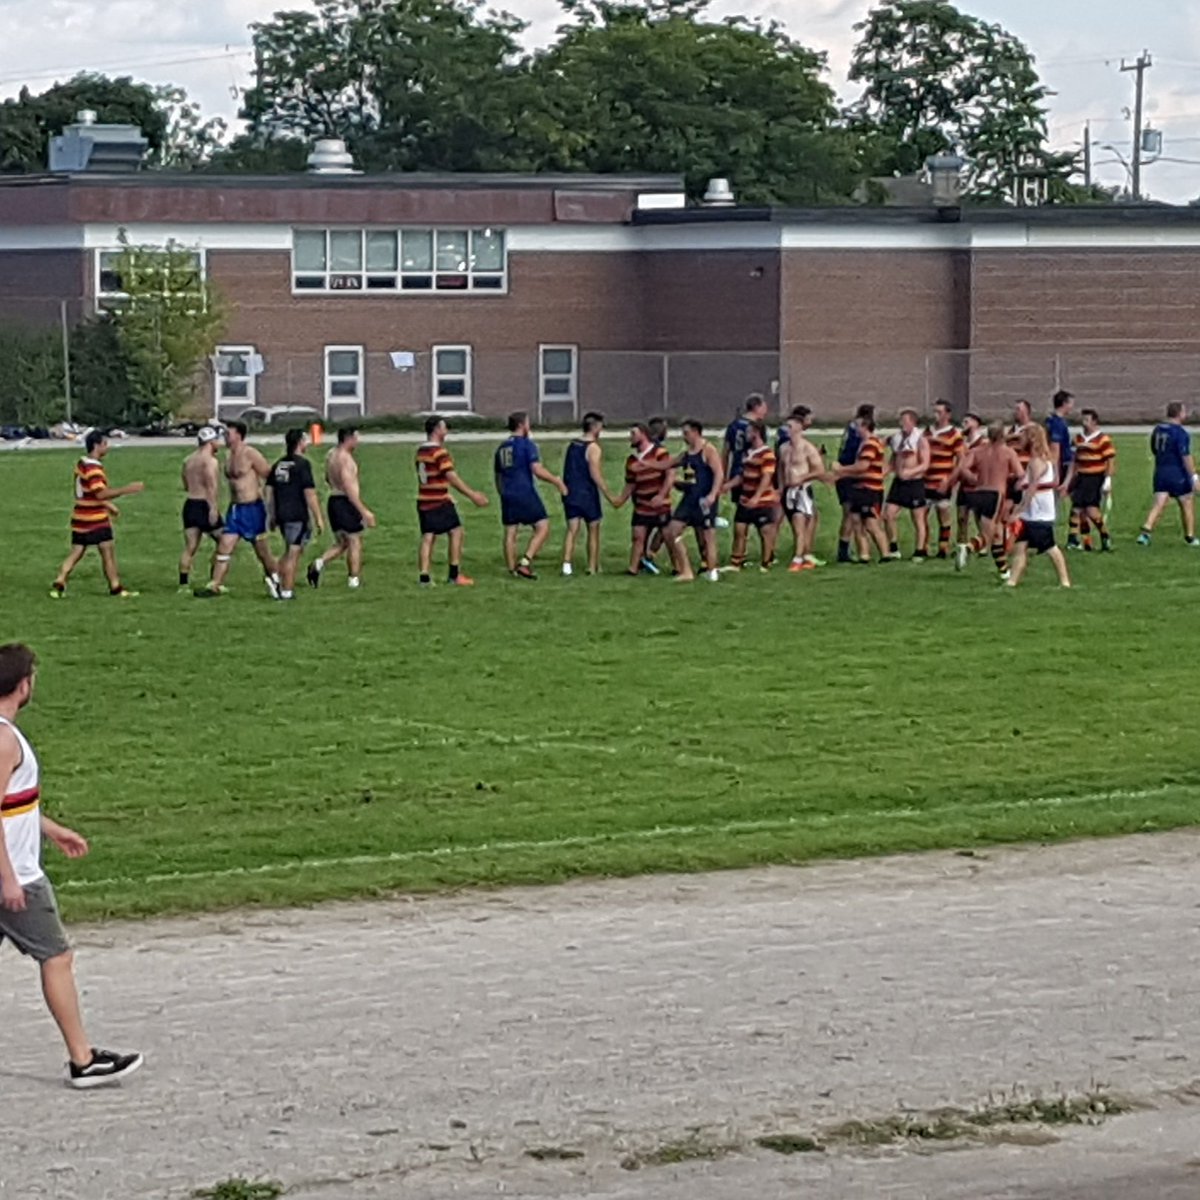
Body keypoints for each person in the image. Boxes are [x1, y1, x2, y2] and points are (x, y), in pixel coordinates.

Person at [0, 643, 143, 1088]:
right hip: (17, 875)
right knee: (57, 957)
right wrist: (8, 878)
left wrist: (50, 828)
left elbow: (11, 804)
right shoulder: (5, 740)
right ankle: (83, 1060)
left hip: (11, 868)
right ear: (23, 686)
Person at [50, 429, 143, 600]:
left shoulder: (81, 464)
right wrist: (127, 489)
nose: (107, 447)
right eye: (104, 444)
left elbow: (87, 492)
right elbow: (100, 493)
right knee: (107, 552)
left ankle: (60, 580)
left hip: (80, 516)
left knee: (77, 551)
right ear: (96, 445)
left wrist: (109, 506)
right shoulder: (94, 469)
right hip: (95, 518)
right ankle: (115, 587)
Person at [199, 420, 280, 598]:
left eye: (229, 434)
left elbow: (269, 475)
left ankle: (276, 578)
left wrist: (271, 504)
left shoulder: (250, 453)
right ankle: (214, 585)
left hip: (253, 508)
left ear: (239, 435)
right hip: (235, 509)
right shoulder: (228, 456)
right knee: (224, 545)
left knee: (263, 552)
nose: (226, 437)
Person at [414, 417, 489, 586]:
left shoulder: (421, 451)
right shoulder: (439, 452)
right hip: (438, 500)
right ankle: (454, 575)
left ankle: (424, 577)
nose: (446, 430)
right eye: (444, 427)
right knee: (456, 531)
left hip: (424, 498)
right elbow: (451, 476)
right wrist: (472, 495)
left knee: (428, 536)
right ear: (436, 429)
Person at [494, 411, 567, 580]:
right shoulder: (527, 445)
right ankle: (525, 562)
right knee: (542, 526)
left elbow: (498, 475)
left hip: (507, 493)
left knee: (510, 531)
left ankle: (511, 569)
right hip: (524, 491)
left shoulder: (502, 448)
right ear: (522, 425)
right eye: (527, 423)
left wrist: (502, 492)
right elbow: (537, 470)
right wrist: (556, 481)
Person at [307, 427, 376, 590]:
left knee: (342, 542)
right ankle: (354, 579)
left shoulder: (331, 455)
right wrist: (363, 510)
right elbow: (348, 486)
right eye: (356, 438)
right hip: (346, 501)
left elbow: (327, 477)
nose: (357, 442)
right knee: (354, 540)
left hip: (333, 499)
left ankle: (318, 563)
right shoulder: (345, 459)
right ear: (348, 438)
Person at [954, 422, 1023, 577]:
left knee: (996, 533)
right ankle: (968, 548)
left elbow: (963, 467)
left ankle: (1003, 571)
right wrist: (1007, 476)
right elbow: (1020, 474)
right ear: (1003, 435)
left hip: (978, 493)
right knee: (989, 533)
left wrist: (973, 478)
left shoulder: (978, 451)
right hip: (995, 494)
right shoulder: (1008, 452)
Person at [1007, 424, 1071, 588]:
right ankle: (1012, 581)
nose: (1020, 441)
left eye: (1023, 437)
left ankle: (1064, 580)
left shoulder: (1037, 462)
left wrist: (1020, 509)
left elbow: (1032, 488)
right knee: (1020, 547)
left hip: (1039, 514)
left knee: (1050, 547)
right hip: (1030, 514)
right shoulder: (1038, 461)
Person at [662, 418, 724, 583]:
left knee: (708, 535)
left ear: (696, 432)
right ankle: (686, 570)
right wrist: (647, 464)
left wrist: (713, 495)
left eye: (686, 433)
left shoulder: (708, 449)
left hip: (704, 499)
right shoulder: (686, 453)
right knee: (673, 530)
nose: (684, 437)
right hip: (689, 499)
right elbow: (669, 464)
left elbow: (719, 473)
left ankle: (712, 571)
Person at [266, 429, 323, 601]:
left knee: (291, 550)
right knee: (293, 553)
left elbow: (269, 491)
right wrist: (318, 517)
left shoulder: (279, 464)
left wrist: (272, 514)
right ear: (299, 442)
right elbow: (309, 493)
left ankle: (276, 577)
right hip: (297, 514)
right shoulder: (302, 464)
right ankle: (286, 591)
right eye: (305, 440)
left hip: (282, 514)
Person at [613, 423, 674, 576]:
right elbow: (630, 483)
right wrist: (620, 499)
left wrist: (661, 495)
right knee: (637, 536)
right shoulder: (631, 460)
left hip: (660, 505)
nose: (630, 437)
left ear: (644, 434)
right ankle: (633, 568)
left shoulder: (660, 453)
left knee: (668, 536)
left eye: (634, 434)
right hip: (641, 505)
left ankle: (678, 567)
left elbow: (670, 475)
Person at [561, 412, 617, 577]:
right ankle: (592, 566)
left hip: (571, 491)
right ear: (595, 427)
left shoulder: (573, 444)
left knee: (572, 529)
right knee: (593, 528)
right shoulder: (593, 448)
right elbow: (595, 474)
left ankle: (566, 565)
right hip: (587, 493)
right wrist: (608, 494)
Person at [1137, 402, 1199, 547]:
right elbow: (1185, 456)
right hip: (1177, 472)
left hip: (1160, 470)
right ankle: (1190, 536)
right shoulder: (1180, 433)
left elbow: (1154, 448)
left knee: (1159, 501)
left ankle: (1146, 531)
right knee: (1186, 501)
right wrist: (1194, 476)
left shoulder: (1158, 429)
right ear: (1179, 414)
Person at [834, 414, 890, 564]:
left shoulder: (870, 444)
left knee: (871, 523)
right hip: (860, 487)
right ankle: (864, 554)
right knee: (856, 520)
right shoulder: (865, 443)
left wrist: (841, 469)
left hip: (869, 488)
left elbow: (863, 466)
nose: (856, 429)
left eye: (858, 426)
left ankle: (885, 553)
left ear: (865, 427)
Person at [778, 405, 828, 571]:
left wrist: (802, 478)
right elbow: (781, 470)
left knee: (800, 522)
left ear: (799, 427)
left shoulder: (807, 448)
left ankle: (798, 558)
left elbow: (819, 470)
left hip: (802, 491)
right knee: (796, 524)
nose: (787, 430)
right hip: (788, 492)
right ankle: (804, 556)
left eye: (790, 427)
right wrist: (780, 488)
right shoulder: (784, 448)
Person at [727, 420, 781, 571]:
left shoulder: (767, 454)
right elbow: (742, 476)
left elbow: (766, 477)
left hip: (762, 500)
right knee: (739, 529)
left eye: (749, 431)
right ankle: (736, 562)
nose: (746, 434)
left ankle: (766, 562)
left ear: (756, 433)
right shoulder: (747, 453)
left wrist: (757, 497)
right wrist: (727, 486)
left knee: (765, 531)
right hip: (745, 497)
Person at [179, 426, 224, 590]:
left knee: (190, 547)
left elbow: (185, 484)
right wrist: (213, 508)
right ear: (211, 442)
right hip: (204, 504)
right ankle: (214, 579)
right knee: (224, 542)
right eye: (217, 440)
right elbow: (211, 486)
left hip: (190, 504)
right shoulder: (210, 461)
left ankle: (183, 584)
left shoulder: (188, 460)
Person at [1066, 409, 1116, 552]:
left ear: (1094, 422)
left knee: (1091, 510)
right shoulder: (1078, 439)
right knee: (1076, 509)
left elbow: (1110, 460)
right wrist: (1070, 478)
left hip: (1095, 478)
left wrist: (1108, 479)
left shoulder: (1102, 439)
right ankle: (1077, 540)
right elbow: (1074, 460)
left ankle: (1104, 535)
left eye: (1087, 420)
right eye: (1083, 420)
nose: (1084, 423)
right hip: (1081, 477)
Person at [884, 408, 931, 560]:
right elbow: (893, 459)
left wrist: (910, 472)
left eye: (904, 421)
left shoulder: (920, 439)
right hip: (899, 482)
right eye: (900, 421)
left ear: (912, 422)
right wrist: (884, 472)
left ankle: (919, 550)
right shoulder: (896, 439)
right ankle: (893, 547)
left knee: (918, 518)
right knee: (888, 514)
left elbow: (925, 464)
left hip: (914, 482)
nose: (901, 424)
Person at [922, 401, 965, 559]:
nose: (936, 415)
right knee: (921, 514)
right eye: (935, 412)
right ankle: (923, 546)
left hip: (942, 480)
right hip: (925, 480)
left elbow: (961, 460)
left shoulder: (954, 434)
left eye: (939, 412)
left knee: (943, 513)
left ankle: (943, 548)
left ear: (947, 414)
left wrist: (950, 480)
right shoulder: (927, 431)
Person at [835, 404, 875, 562]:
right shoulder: (859, 431)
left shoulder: (850, 427)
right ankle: (844, 550)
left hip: (844, 473)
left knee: (851, 514)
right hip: (850, 474)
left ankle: (849, 548)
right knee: (851, 514)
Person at [723, 393, 769, 508]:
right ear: (756, 407)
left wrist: (724, 475)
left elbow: (725, 452)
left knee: (741, 507)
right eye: (764, 407)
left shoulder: (733, 425)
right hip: (752, 471)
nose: (765, 411)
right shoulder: (757, 428)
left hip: (735, 470)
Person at [954, 412, 987, 550]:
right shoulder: (961, 442)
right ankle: (961, 545)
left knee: (979, 516)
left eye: (967, 422)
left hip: (977, 485)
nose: (963, 425)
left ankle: (983, 543)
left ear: (976, 423)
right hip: (964, 484)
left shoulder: (983, 442)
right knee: (961, 516)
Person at [1045, 389, 1075, 485]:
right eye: (1071, 403)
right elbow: (1055, 448)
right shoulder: (1057, 423)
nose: (1072, 407)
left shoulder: (1050, 420)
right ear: (1064, 404)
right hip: (1061, 464)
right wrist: (1056, 472)